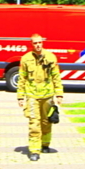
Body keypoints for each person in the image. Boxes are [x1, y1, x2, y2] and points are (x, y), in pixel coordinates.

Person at [17, 33, 64, 161]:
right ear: (31, 44)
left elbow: (56, 77)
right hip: (32, 95)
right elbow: (22, 78)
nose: (38, 45)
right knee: (34, 123)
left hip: (47, 95)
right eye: (35, 43)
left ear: (42, 43)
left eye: (39, 43)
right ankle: (34, 150)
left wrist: (59, 94)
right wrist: (20, 97)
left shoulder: (51, 57)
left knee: (46, 122)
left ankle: (45, 144)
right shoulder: (25, 59)